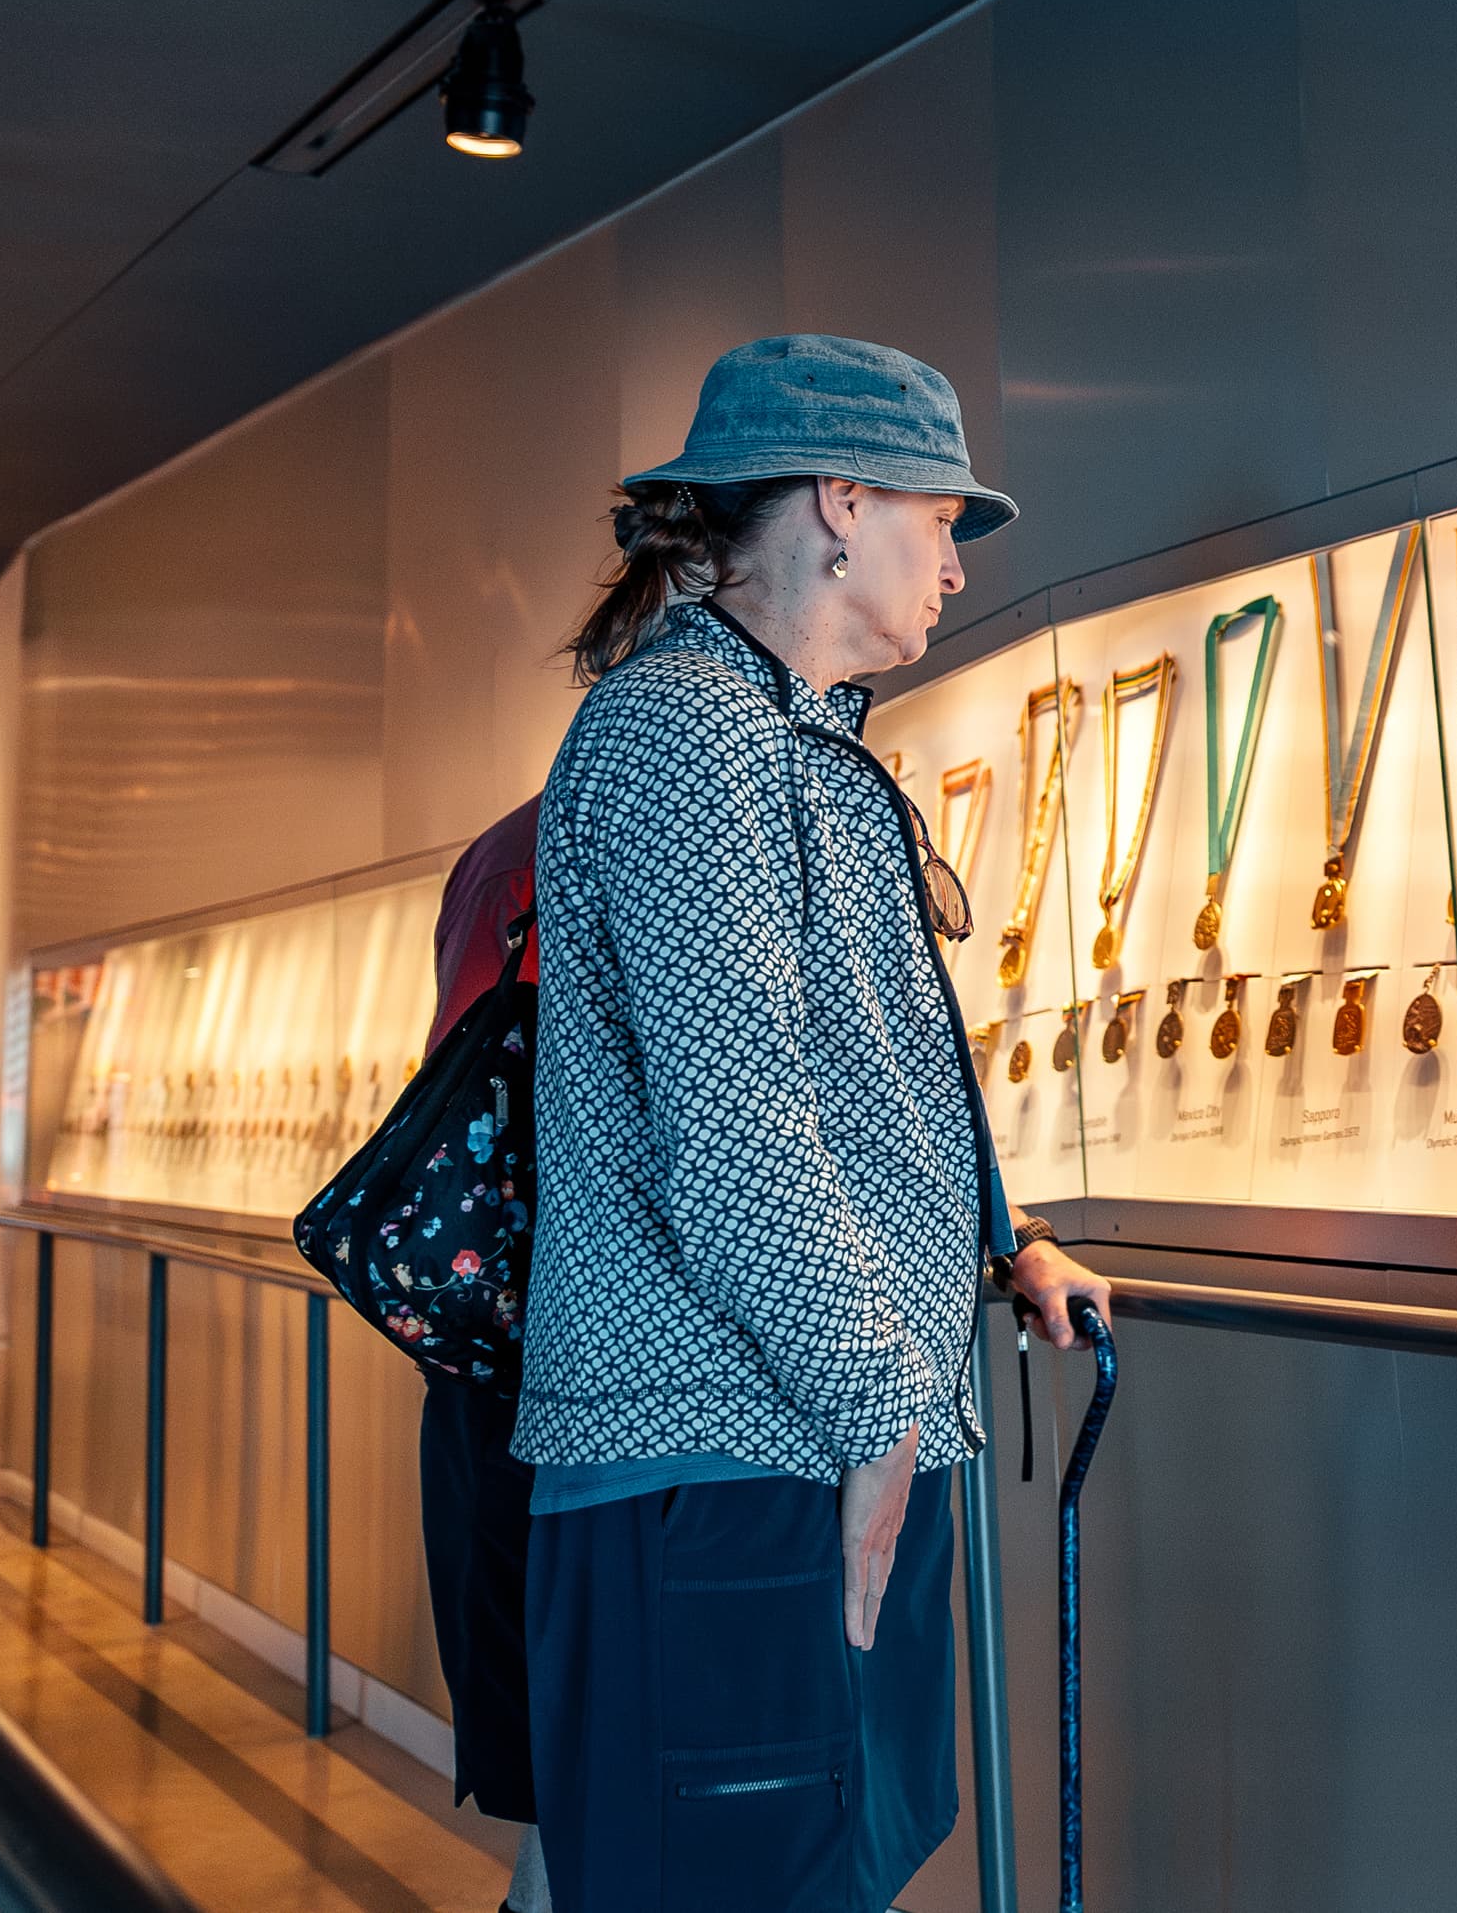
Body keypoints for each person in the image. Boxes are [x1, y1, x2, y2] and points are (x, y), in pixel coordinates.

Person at [514, 334, 1109, 1913]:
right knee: (728, 1878)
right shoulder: (683, 735)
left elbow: (867, 1078)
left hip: (807, 1435)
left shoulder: (801, 744)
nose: (957, 572)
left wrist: (1006, 1239)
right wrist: (880, 1413)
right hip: (725, 1449)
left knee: (814, 1867)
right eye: (941, 520)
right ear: (843, 503)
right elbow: (739, 1126)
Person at [414, 794, 552, 1913]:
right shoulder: (576, 842)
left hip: (492, 1344)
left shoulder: (503, 848)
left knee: (565, 1748)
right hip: (553, 1349)